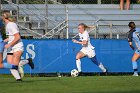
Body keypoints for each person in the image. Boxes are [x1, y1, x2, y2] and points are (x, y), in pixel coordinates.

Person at [0, 11, 34, 81]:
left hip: (17, 47)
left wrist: (9, 44)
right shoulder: (7, 25)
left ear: (4, 17)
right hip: (11, 48)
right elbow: (13, 36)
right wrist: (7, 39)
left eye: (1, 16)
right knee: (10, 65)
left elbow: (18, 37)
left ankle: (28, 61)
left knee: (15, 65)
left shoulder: (11, 25)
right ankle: (18, 79)